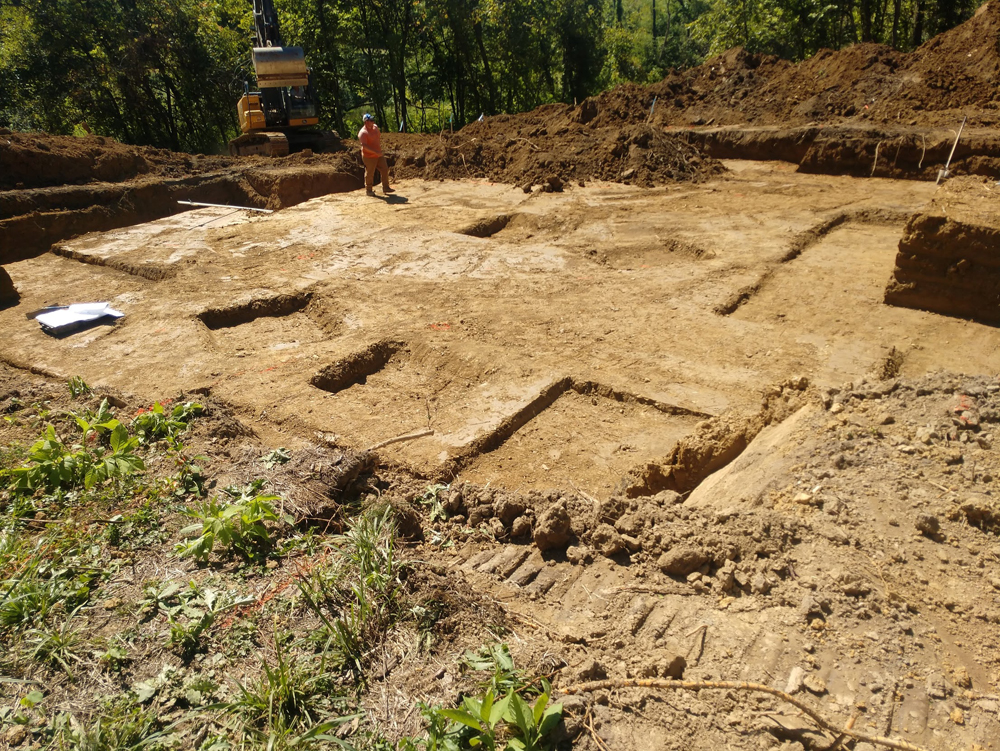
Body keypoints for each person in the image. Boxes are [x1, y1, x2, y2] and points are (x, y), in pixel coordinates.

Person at [358, 113, 394, 196]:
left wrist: (377, 151)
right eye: (371, 120)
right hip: (369, 156)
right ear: (366, 122)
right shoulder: (363, 133)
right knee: (370, 173)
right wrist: (374, 152)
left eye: (372, 120)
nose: (373, 121)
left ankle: (386, 187)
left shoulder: (375, 128)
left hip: (378, 154)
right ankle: (369, 190)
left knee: (384, 169)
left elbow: (377, 138)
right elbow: (364, 146)